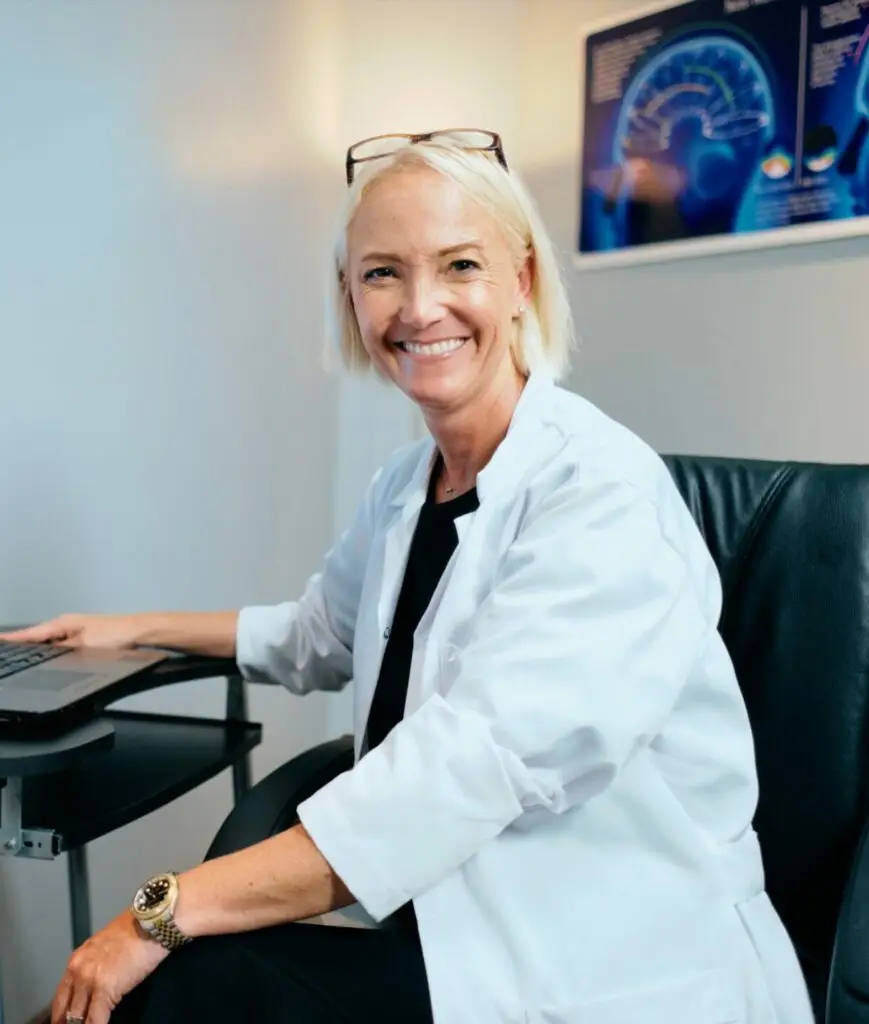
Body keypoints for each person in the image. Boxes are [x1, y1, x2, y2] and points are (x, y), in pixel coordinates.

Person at [3, 130, 813, 1024]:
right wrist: (128, 628)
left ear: (521, 282)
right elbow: (317, 634)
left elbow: (460, 774)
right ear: (349, 299)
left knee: (174, 979)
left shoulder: (602, 496)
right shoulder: (406, 482)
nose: (419, 307)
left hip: (607, 959)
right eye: (381, 273)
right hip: (452, 929)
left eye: (459, 264)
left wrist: (153, 914)